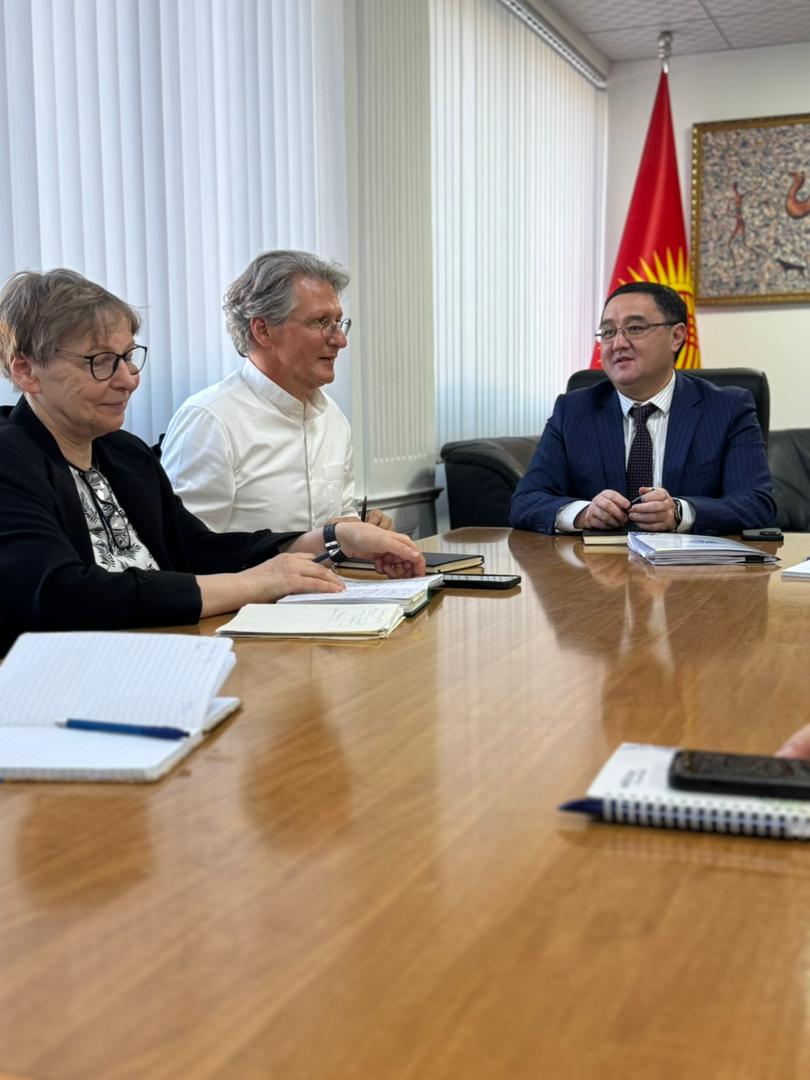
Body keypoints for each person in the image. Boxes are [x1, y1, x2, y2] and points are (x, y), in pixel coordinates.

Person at [0, 269, 425, 653]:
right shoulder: (11, 460)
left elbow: (199, 550)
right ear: (26, 371)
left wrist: (334, 538)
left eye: (128, 357)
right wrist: (252, 584)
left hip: (166, 656)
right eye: (102, 362)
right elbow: (62, 595)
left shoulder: (124, 453)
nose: (129, 379)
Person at [510, 281, 775, 536]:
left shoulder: (728, 408)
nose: (618, 343)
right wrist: (583, 513)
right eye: (608, 332)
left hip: (692, 563)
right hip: (596, 563)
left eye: (635, 328)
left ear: (676, 336)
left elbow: (756, 504)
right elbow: (526, 500)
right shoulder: (573, 410)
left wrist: (679, 513)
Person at [160, 249, 393, 533]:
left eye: (338, 323)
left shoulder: (332, 417)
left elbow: (340, 517)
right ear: (263, 330)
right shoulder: (210, 421)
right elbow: (183, 548)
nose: (340, 340)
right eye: (321, 322)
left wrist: (360, 526)